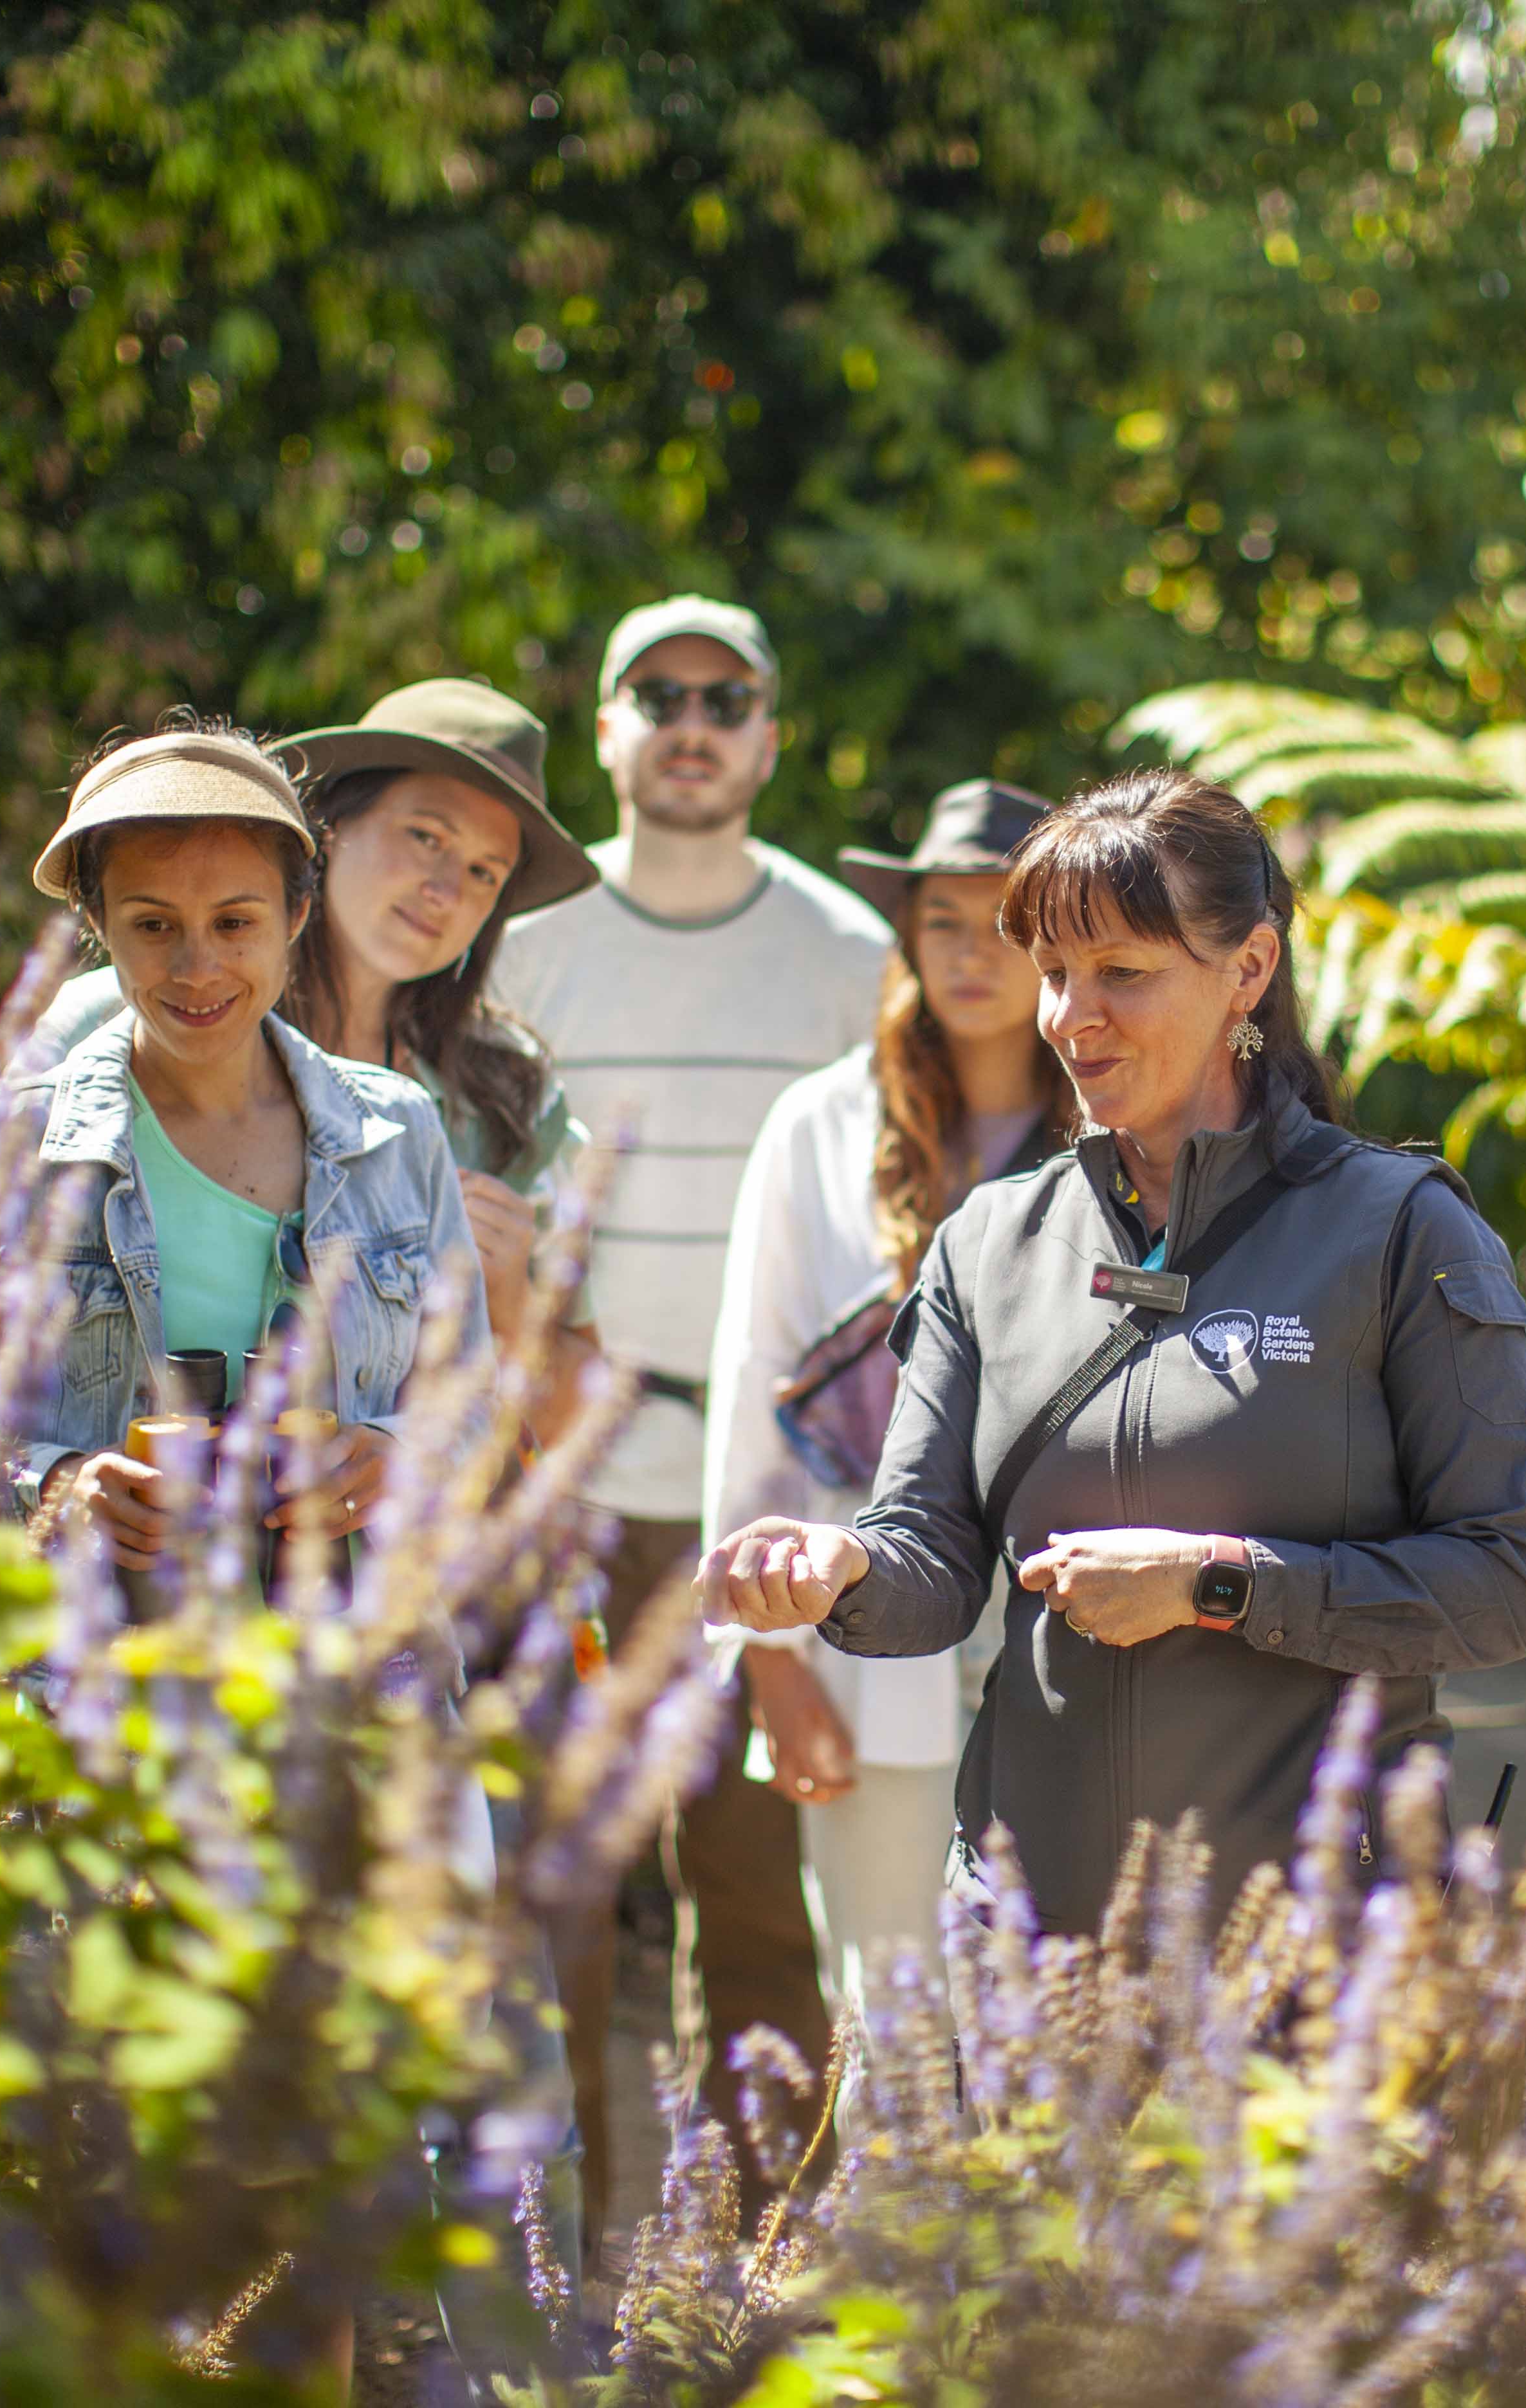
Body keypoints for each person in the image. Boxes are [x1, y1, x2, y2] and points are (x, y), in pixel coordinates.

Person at [699, 770, 1526, 1939]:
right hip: (1033, 1949)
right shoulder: (990, 1241)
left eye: (1122, 972)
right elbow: (933, 1560)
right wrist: (840, 1565)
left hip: (1307, 1955)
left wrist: (1220, 1580)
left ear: (1247, 969)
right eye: (1055, 973)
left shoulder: (1401, 1231)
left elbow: (1502, 1586)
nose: (1067, 1016)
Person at [489, 597, 890, 2220]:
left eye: (728, 695)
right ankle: (563, 2253)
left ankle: (754, 2258)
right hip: (557, 1482)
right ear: (604, 727)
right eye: (656, 693)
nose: (693, 720)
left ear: (771, 734)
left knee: (753, 1887)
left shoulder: (849, 957)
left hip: (766, 1495)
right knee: (557, 1889)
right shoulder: (524, 939)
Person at [0, 721, 482, 1564]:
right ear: (97, 922)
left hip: (353, 1675)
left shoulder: (399, 1134)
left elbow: (470, 1401)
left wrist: (398, 1455)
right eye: (154, 926)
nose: (197, 967)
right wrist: (53, 1486)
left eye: (236, 922)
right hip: (86, 1677)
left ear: (297, 916)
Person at [700, 780, 1074, 2014]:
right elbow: (758, 1385)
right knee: (892, 2005)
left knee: (1062, 2005)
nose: (973, 955)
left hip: (1074, 1621)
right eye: (943, 920)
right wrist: (772, 1661)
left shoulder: (1121, 1125)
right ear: (907, 934)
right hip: (863, 1627)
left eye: (1004, 923)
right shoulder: (821, 1122)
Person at [36, 681, 598, 1428]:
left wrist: (511, 1298)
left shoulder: (509, 1091)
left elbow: (569, 1424)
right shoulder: (117, 1017)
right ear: (329, 832)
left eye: (484, 872)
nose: (444, 889)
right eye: (426, 838)